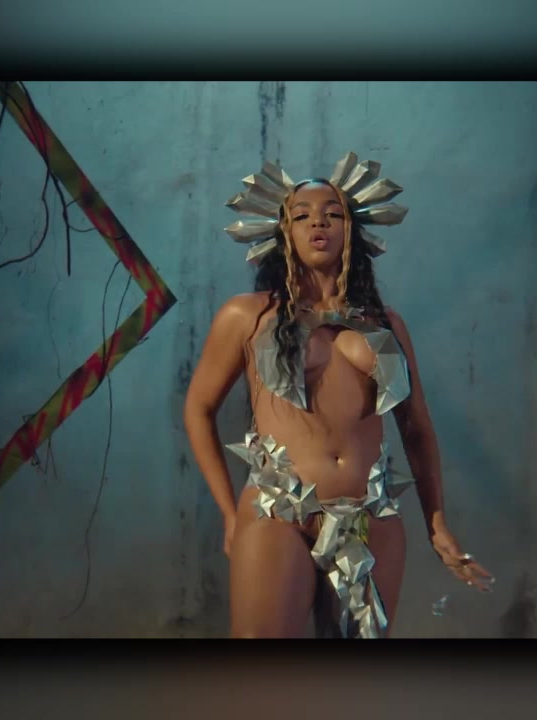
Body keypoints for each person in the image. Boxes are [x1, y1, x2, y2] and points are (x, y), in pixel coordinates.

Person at [183, 153, 492, 639]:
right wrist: (228, 513)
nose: (318, 223)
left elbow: (416, 426)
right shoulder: (247, 316)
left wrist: (438, 524)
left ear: (352, 229)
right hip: (277, 511)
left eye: (332, 213)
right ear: (282, 232)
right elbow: (199, 409)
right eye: (301, 216)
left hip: (369, 514)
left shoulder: (385, 323)